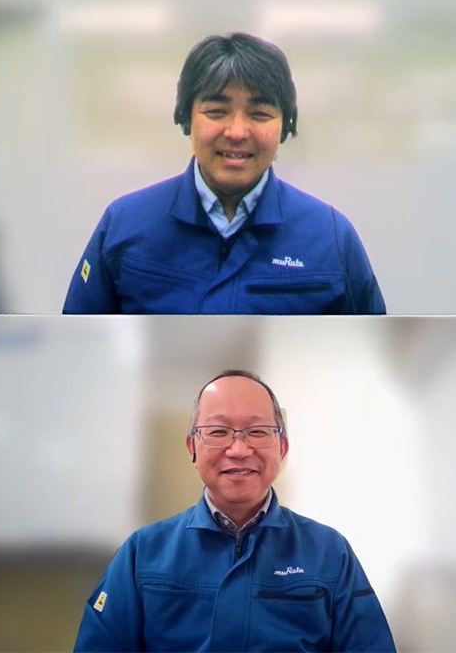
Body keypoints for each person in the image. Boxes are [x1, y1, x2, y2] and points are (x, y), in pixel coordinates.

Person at [63, 33, 385, 314]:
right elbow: (76, 348)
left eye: (259, 114)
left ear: (285, 126)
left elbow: (370, 358)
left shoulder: (330, 238)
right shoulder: (124, 226)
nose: (236, 131)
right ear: (186, 117)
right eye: (216, 112)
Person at [74, 370, 396, 651]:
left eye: (257, 432)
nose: (239, 450)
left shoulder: (330, 554)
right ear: (193, 448)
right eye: (218, 432)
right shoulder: (141, 553)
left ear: (282, 448)